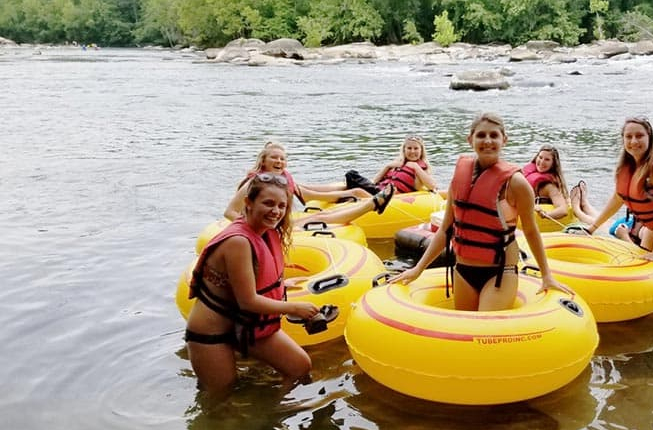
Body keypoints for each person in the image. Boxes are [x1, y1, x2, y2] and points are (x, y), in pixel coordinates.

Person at [389, 113, 571, 311]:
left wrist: (547, 275)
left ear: (504, 140)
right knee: (466, 334)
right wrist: (418, 269)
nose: (487, 141)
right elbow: (445, 230)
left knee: (483, 333)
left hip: (500, 273)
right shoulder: (459, 178)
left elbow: (531, 231)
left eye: (494, 135)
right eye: (481, 135)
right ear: (470, 140)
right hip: (463, 271)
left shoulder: (517, 183)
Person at [185, 173, 320, 403]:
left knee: (299, 367)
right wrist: (295, 308)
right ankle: (246, 429)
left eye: (281, 206)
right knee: (220, 399)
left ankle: (266, 417)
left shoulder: (265, 233)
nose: (276, 211)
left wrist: (282, 285)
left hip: (245, 326)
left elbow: (250, 280)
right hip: (212, 333)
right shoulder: (238, 241)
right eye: (268, 203)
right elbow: (248, 300)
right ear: (248, 203)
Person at [575, 116, 653, 288]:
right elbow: (617, 199)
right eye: (628, 137)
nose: (634, 141)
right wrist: (591, 229)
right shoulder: (627, 166)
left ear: (649, 137)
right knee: (643, 280)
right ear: (623, 140)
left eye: (639, 136)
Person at [223, 142, 394, 222]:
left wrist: (349, 192)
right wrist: (253, 230)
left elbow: (308, 194)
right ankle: (371, 205)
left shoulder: (282, 180)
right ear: (263, 161)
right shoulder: (254, 183)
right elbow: (230, 212)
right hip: (265, 227)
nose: (279, 161)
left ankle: (372, 204)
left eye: (283, 159)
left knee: (321, 215)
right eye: (274, 158)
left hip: (277, 223)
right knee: (320, 218)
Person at [303, 135, 438, 197]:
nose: (412, 151)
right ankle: (303, 188)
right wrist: (387, 166)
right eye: (409, 148)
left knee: (357, 191)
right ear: (404, 149)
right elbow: (375, 181)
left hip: (386, 197)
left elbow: (432, 186)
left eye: (416, 149)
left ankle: (311, 194)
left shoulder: (420, 167)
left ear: (421, 150)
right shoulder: (397, 164)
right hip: (377, 189)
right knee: (348, 181)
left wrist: (414, 166)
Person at [523, 144, 569, 220]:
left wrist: (544, 214)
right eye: (540, 157)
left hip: (541, 217)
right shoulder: (528, 173)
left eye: (547, 160)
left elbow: (563, 210)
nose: (542, 162)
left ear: (553, 164)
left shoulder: (549, 186)